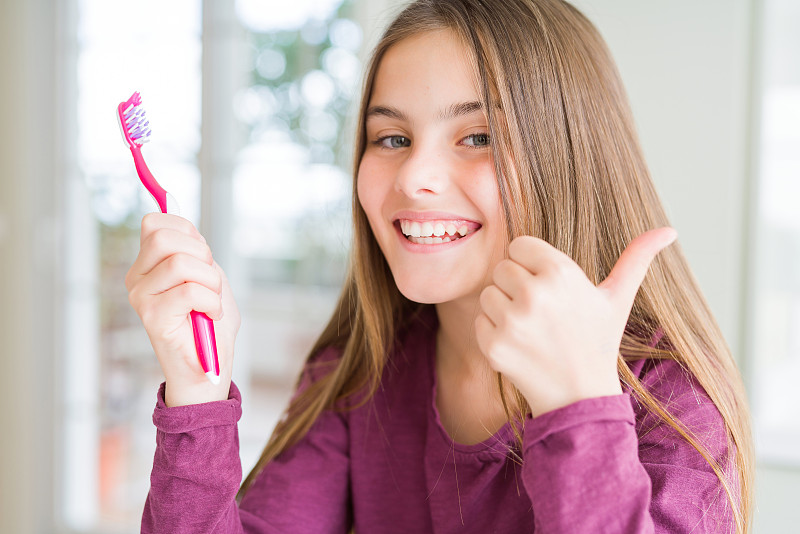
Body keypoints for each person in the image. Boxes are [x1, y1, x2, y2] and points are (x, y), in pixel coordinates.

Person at [127, 0, 754, 532]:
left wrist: (578, 410)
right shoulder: (359, 371)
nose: (415, 178)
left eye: (477, 137)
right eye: (392, 138)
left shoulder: (670, 398)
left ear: (569, 161)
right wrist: (197, 393)